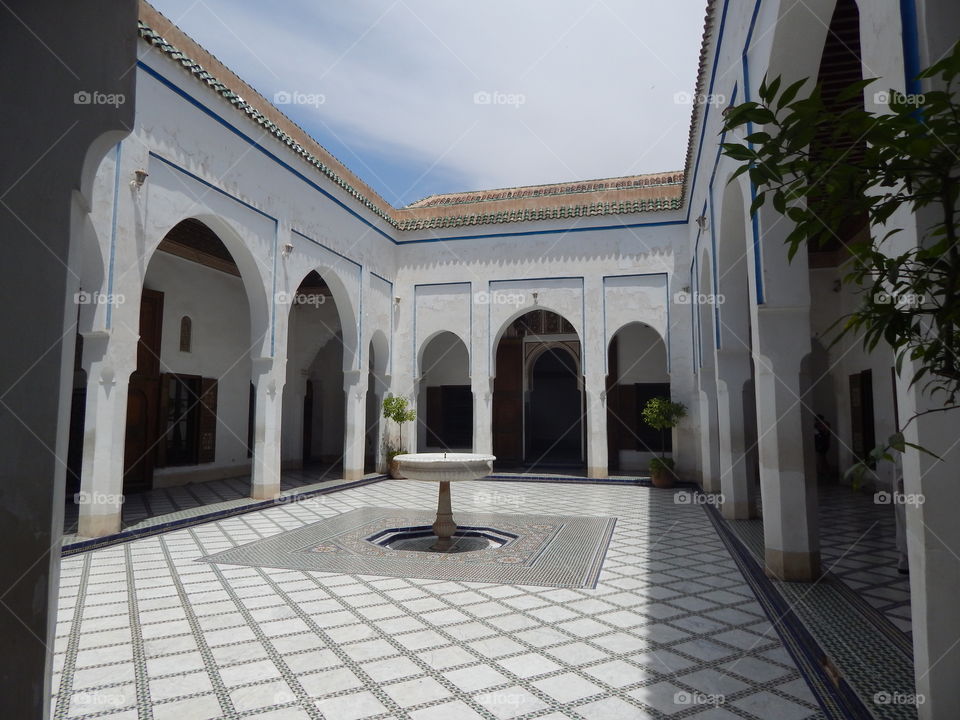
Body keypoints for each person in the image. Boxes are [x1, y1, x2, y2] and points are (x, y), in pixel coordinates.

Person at [814, 414, 831, 480]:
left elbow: (826, 434)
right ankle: (823, 472)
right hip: (820, 443)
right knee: (821, 458)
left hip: (823, 443)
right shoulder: (817, 425)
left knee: (822, 458)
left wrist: (819, 433)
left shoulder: (825, 424)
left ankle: (826, 473)